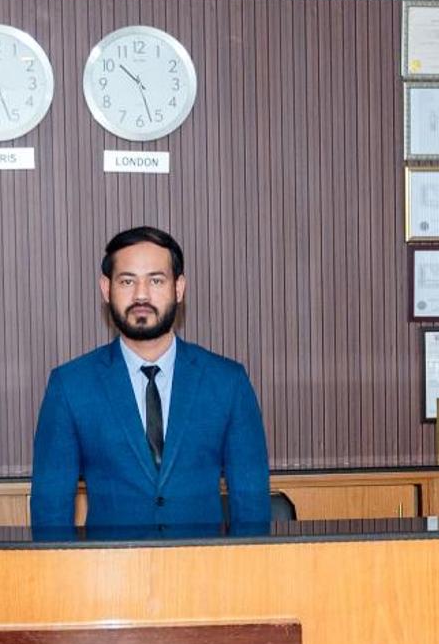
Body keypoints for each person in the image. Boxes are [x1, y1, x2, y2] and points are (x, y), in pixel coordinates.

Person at [30, 226, 271, 531]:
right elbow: (50, 510)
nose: (141, 295)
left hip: (205, 573)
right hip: (108, 574)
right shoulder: (70, 386)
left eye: (156, 280)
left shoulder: (228, 383)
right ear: (106, 289)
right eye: (127, 281)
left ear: (179, 288)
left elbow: (251, 505)